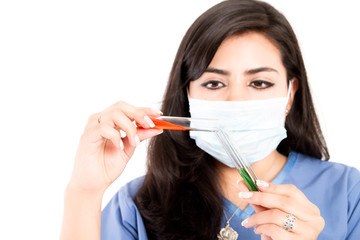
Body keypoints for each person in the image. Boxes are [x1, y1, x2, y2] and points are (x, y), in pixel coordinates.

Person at [60, 0, 360, 239]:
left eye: (259, 83)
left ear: (290, 94)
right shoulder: (136, 204)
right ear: (188, 94)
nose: (236, 101)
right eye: (214, 84)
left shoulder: (348, 192)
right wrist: (84, 192)